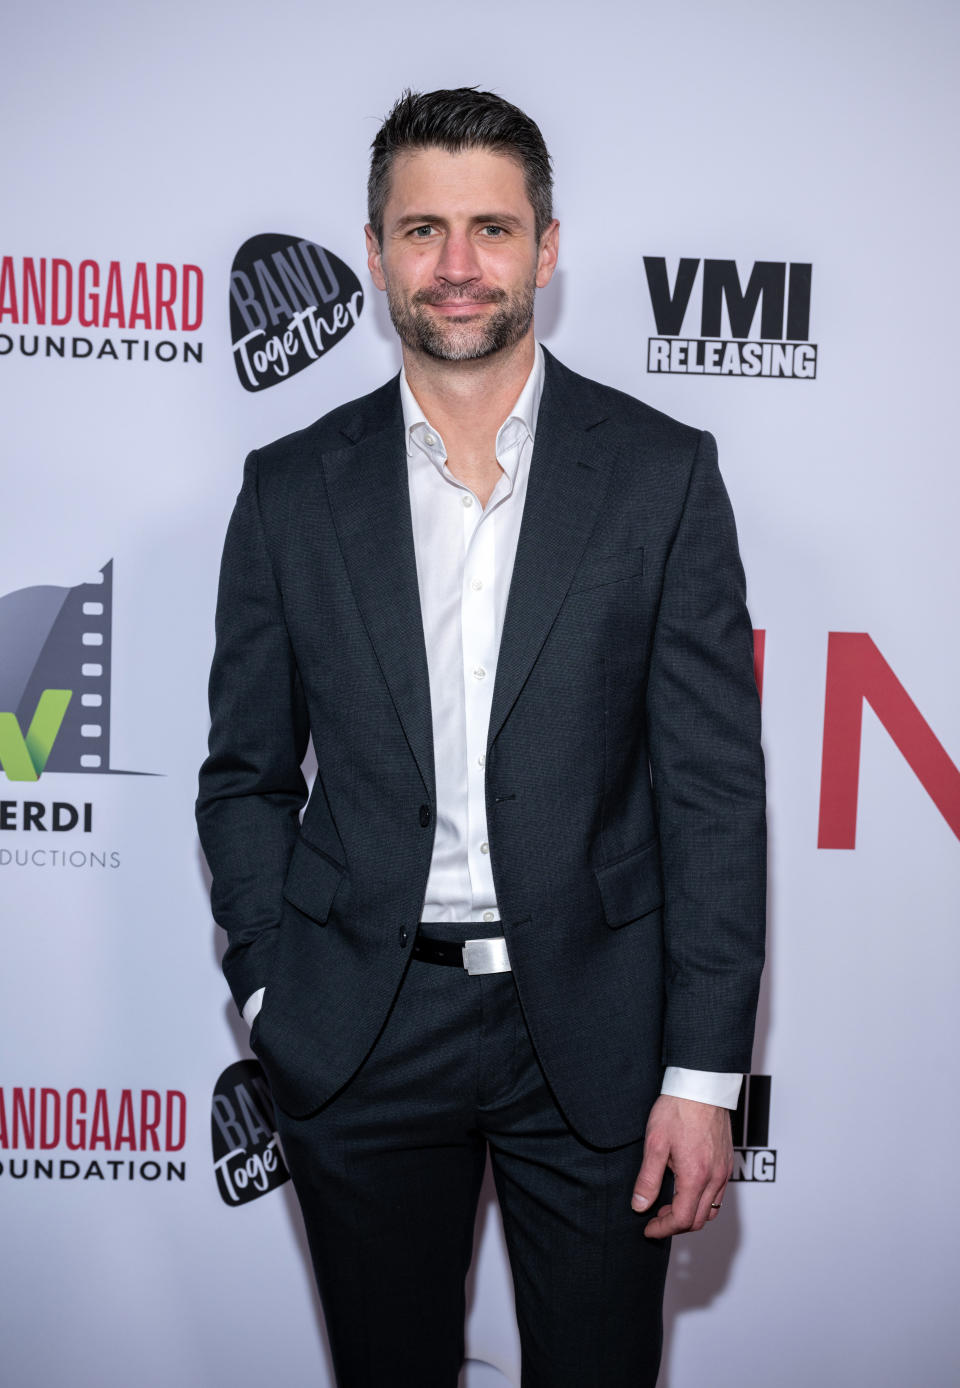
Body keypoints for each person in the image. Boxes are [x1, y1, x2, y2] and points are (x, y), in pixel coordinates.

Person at [197, 87, 765, 1388]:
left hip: (600, 1036)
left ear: (547, 250)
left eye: (493, 230)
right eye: (424, 231)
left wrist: (704, 1074)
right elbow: (245, 775)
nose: (458, 267)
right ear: (375, 248)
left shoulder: (661, 476)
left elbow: (715, 799)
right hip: (362, 1028)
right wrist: (279, 993)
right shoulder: (290, 491)